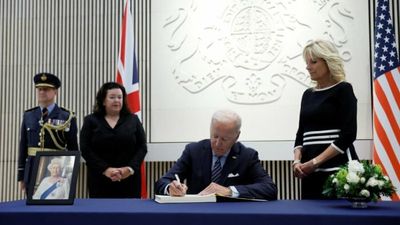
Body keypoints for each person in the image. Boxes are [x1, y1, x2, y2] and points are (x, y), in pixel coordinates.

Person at [155, 109, 277, 200]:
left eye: (224, 139)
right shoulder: (193, 151)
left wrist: (229, 191)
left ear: (237, 136)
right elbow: (162, 182)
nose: (218, 143)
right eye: (215, 136)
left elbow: (270, 188)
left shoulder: (247, 156)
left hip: (233, 216)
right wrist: (170, 188)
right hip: (196, 215)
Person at [292, 39, 359, 199]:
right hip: (309, 171)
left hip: (338, 169)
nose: (308, 67)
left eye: (313, 62)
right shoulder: (308, 94)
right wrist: (297, 162)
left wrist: (316, 162)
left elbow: (348, 135)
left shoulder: (343, 89)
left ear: (328, 61)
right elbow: (301, 133)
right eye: (306, 62)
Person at [80, 82, 147, 198]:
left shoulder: (133, 120)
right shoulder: (91, 120)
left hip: (129, 180)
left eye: (119, 97)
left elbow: (142, 147)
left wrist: (129, 169)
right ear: (103, 101)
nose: (116, 100)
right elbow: (85, 148)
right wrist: (105, 169)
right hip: (100, 179)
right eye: (112, 97)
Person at [18, 72, 78, 193]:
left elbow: (73, 148)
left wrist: (70, 176)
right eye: (39, 89)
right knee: (32, 208)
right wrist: (21, 176)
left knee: (55, 206)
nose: (41, 92)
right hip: (32, 169)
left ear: (55, 92)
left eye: (46, 89)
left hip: (56, 170)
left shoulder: (67, 116)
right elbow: (23, 146)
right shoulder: (29, 115)